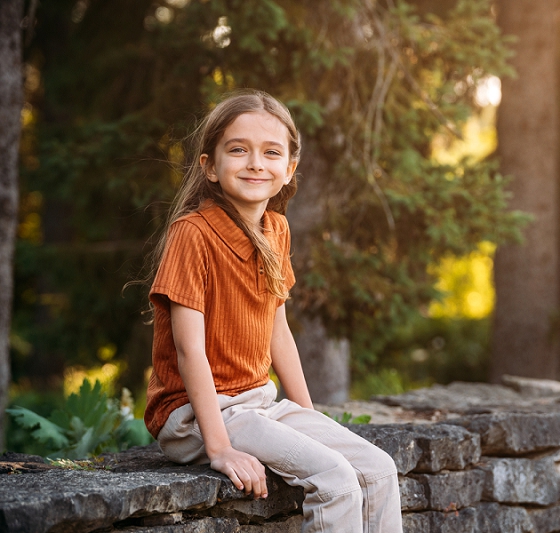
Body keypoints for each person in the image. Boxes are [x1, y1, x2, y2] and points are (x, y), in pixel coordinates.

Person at [140, 90, 403, 533]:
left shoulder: (275, 229)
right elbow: (189, 353)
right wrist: (220, 449)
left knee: (379, 470)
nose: (255, 163)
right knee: (336, 481)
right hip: (198, 414)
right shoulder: (193, 234)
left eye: (271, 152)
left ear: (289, 170)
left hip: (257, 403)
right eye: (238, 150)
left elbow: (277, 330)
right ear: (209, 166)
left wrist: (307, 415)